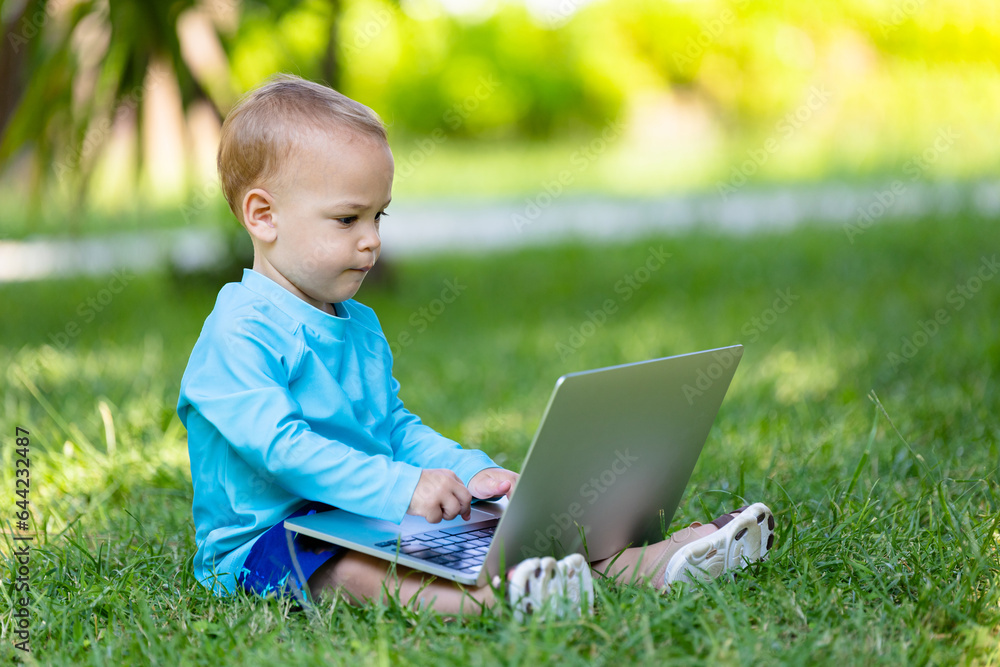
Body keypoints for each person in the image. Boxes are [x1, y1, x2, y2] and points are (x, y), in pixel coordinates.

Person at [177, 74, 777, 620]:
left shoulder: (356, 323)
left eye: (379, 217)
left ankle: (649, 565)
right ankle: (495, 604)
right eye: (347, 220)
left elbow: (392, 428)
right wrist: (403, 489)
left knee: (501, 532)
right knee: (347, 568)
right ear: (263, 215)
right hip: (265, 541)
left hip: (363, 515)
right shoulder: (239, 332)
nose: (372, 243)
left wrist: (471, 470)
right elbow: (282, 450)